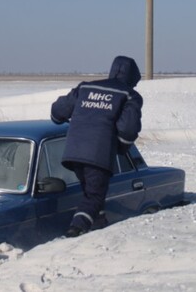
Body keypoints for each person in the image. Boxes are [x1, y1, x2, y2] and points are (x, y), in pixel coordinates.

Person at [50, 56, 143, 237]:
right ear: (133, 78)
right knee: (94, 196)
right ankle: (75, 230)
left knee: (90, 192)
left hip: (72, 152)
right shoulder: (129, 95)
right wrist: (121, 148)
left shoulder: (85, 87)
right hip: (98, 155)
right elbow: (128, 129)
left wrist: (63, 117)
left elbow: (58, 111)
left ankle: (98, 225)